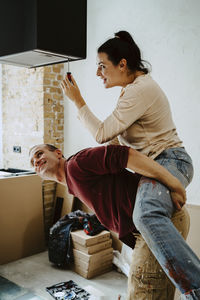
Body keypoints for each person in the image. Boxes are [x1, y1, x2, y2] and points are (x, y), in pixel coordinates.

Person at [60, 30, 200, 299]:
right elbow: (112, 143)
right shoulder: (131, 92)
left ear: (122, 64)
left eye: (102, 66)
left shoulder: (140, 89)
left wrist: (78, 102)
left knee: (145, 214)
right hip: (159, 164)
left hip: (171, 160)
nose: (99, 73)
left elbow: (102, 134)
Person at [30, 143, 187, 292]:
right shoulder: (73, 182)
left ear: (58, 153)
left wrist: (175, 185)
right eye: (32, 163)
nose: (36, 161)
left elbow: (127, 155)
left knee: (143, 291)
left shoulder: (76, 164)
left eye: (39, 154)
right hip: (144, 230)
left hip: (157, 219)